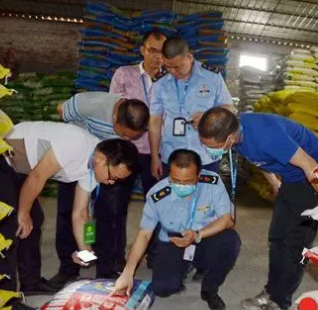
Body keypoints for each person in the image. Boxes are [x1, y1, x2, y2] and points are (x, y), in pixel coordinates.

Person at [0, 121, 139, 310]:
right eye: (112, 177)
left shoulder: (92, 171)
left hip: (23, 169)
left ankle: (30, 282)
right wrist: (22, 213)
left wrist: (86, 251)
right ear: (101, 158)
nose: (111, 183)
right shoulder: (76, 144)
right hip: (2, 158)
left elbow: (81, 214)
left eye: (116, 180)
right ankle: (7, 302)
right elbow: (38, 177)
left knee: (35, 219)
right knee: (11, 223)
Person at [198, 108, 318, 310]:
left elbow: (310, 165)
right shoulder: (236, 134)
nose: (208, 149)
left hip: (311, 178)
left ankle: (280, 303)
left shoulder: (266, 135)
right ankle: (271, 291)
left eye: (211, 145)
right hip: (290, 179)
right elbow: (258, 159)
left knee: (296, 246)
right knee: (277, 238)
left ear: (230, 138)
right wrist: (273, 182)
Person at [111, 149, 241, 310]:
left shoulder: (212, 183)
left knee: (230, 241)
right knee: (163, 288)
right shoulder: (157, 194)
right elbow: (144, 234)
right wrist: (127, 273)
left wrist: (197, 235)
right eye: (175, 180)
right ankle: (183, 266)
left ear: (199, 175)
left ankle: (210, 288)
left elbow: (227, 220)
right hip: (174, 240)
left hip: (204, 236)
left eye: (187, 182)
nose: (181, 186)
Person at [51, 95, 149, 289]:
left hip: (112, 168)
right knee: (69, 212)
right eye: (124, 134)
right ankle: (68, 268)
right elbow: (61, 109)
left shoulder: (125, 136)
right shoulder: (91, 103)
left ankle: (107, 268)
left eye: (132, 137)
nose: (126, 139)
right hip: (80, 162)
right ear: (114, 118)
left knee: (111, 214)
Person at [109, 30, 168, 269]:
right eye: (153, 50)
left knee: (157, 205)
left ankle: (154, 254)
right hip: (125, 150)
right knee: (116, 204)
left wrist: (158, 155)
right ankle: (115, 256)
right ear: (143, 50)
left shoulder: (169, 81)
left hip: (156, 153)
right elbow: (113, 111)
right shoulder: (125, 74)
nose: (157, 57)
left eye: (162, 52)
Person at [148, 36, 235, 180]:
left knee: (205, 201)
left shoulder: (212, 77)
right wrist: (154, 157)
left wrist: (209, 117)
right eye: (167, 67)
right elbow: (154, 122)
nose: (173, 72)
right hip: (171, 156)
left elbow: (229, 108)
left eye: (177, 67)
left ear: (189, 57)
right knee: (172, 201)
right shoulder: (160, 83)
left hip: (206, 157)